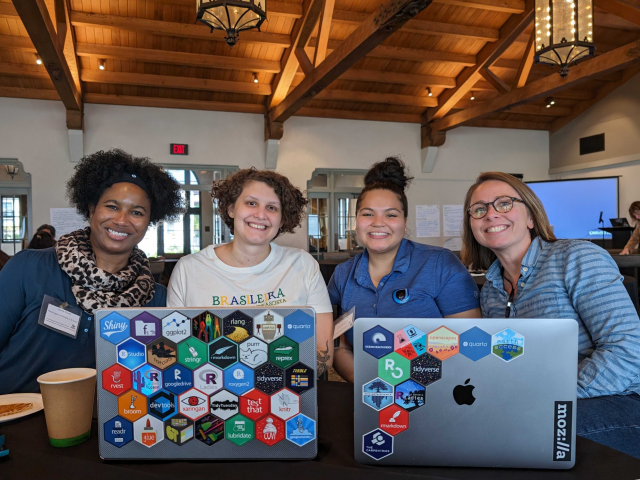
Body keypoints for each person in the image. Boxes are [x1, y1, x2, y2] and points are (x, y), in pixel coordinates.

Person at [462, 171, 640, 459]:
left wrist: (546, 396)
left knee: (512, 434)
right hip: (538, 402)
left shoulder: (577, 257)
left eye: (504, 203)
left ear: (531, 217)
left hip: (619, 399)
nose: (491, 214)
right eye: (479, 209)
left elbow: (628, 349)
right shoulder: (491, 291)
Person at [0, 149, 184, 394]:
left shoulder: (155, 297)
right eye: (112, 206)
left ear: (148, 223)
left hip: (101, 426)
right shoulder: (28, 267)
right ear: (91, 209)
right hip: (15, 418)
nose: (121, 220)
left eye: (137, 212)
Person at [167, 168, 335, 376]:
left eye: (272, 207)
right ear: (231, 209)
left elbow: (322, 353)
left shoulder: (302, 264)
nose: (261, 214)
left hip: (287, 393)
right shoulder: (189, 269)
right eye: (251, 203)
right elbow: (179, 349)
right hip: (211, 393)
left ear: (282, 220)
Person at [328, 158, 481, 383]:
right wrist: (364, 384)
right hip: (370, 396)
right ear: (356, 220)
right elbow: (341, 347)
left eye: (391, 214)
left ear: (404, 222)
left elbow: (470, 340)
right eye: (368, 214)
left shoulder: (440, 264)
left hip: (437, 392)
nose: (378, 223)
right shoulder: (342, 274)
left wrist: (408, 387)